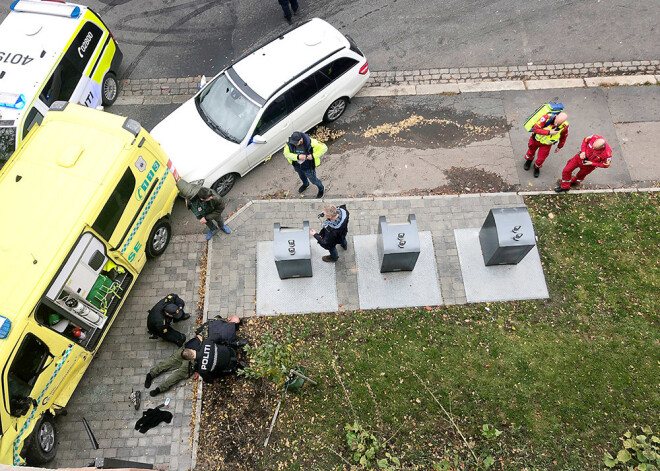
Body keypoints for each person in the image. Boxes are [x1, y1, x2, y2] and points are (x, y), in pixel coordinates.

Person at [144, 316, 246, 396]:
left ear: (229, 319)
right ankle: (158, 385)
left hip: (191, 347)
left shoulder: (217, 320)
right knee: (177, 372)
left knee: (171, 363)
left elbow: (201, 329)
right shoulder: (228, 334)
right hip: (194, 356)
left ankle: (153, 377)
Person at [524, 111, 569, 178]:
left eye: (559, 123)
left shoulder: (564, 126)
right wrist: (549, 132)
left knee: (541, 159)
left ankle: (537, 167)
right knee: (530, 152)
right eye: (556, 122)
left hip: (546, 144)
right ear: (556, 117)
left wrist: (559, 146)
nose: (556, 125)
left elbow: (564, 137)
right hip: (535, 140)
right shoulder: (546, 118)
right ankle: (529, 161)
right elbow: (535, 129)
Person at [284, 131, 327, 199]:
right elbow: (286, 154)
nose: (294, 144)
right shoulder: (290, 143)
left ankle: (321, 188)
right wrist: (297, 157)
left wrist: (313, 156)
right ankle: (306, 184)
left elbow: (324, 148)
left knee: (314, 180)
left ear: (301, 139)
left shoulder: (312, 143)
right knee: (302, 176)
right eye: (293, 143)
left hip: (308, 167)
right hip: (297, 166)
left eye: (296, 143)